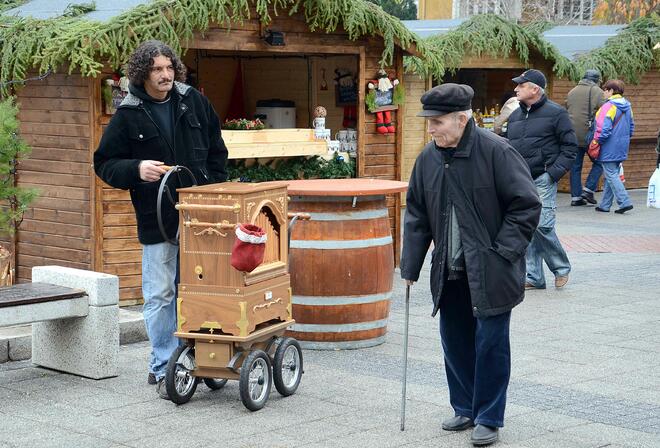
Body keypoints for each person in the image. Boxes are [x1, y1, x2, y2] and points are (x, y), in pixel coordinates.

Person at [401, 83, 541, 447]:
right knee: (455, 342)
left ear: (463, 119)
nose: (431, 130)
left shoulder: (497, 152)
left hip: (490, 269)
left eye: (438, 122)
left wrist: (503, 251)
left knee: (491, 346)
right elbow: (416, 214)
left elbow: (526, 205)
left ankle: (489, 417)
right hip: (449, 269)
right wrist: (410, 265)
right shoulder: (428, 159)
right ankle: (464, 406)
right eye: (429, 122)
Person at [94, 40, 228, 398]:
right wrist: (137, 168)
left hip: (201, 216)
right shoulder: (129, 112)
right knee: (160, 294)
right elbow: (104, 163)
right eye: (157, 69)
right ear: (143, 73)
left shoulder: (194, 101)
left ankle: (202, 355)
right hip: (157, 219)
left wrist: (213, 195)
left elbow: (217, 151)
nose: (165, 75)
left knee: (199, 287)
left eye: (169, 67)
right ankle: (164, 365)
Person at [506, 69, 577, 290]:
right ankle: (534, 277)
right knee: (529, 227)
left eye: (521, 85)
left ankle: (561, 267)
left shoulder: (557, 113)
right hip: (521, 180)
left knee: (543, 226)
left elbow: (570, 147)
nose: (516, 88)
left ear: (534, 89)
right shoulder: (515, 115)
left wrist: (552, 174)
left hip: (543, 178)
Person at [590, 79, 634, 214]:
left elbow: (604, 129)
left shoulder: (608, 107)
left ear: (611, 91)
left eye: (605, 90)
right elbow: (631, 127)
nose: (603, 92)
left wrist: (596, 141)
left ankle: (624, 201)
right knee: (611, 174)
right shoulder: (627, 106)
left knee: (610, 174)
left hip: (609, 146)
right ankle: (605, 205)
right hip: (622, 145)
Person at [566, 69, 606, 206]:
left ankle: (576, 198)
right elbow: (606, 110)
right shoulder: (597, 92)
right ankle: (589, 189)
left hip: (572, 135)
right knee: (601, 161)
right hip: (589, 136)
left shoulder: (572, 92)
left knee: (575, 167)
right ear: (596, 80)